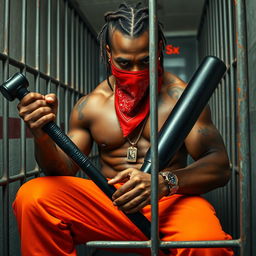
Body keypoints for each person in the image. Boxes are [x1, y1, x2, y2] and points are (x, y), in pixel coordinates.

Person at [13, 2, 234, 256]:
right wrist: (42, 133)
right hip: (110, 204)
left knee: (209, 244)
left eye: (146, 61)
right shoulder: (91, 105)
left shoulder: (182, 99)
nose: (137, 71)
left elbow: (219, 166)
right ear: (109, 54)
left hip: (169, 203)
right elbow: (60, 169)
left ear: (160, 50)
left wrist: (164, 182)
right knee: (33, 196)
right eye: (124, 63)